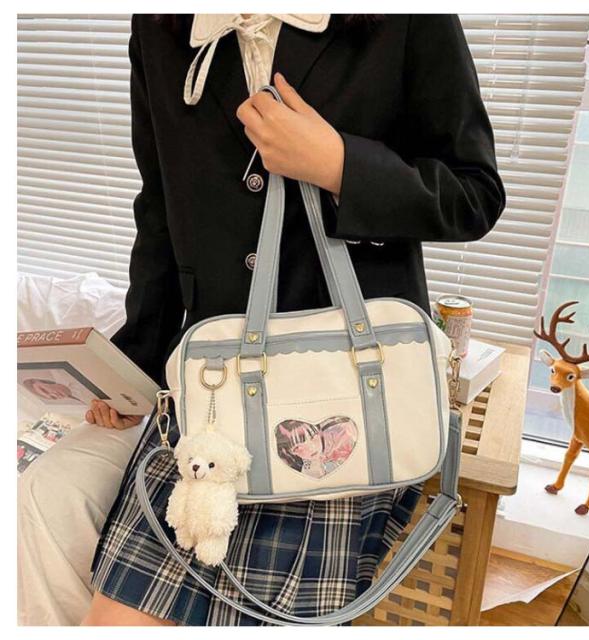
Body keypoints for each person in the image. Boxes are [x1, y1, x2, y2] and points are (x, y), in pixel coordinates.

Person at [82, 13, 506, 625]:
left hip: (341, 390)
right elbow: (160, 206)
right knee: (115, 620)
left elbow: (475, 193)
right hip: (210, 393)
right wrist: (138, 365)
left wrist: (340, 165)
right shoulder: (160, 22)